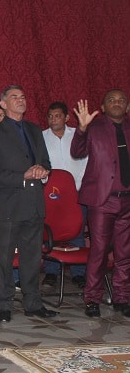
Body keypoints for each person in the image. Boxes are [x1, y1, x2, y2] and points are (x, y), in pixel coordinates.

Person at [0, 85, 58, 322]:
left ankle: (33, 303)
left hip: (33, 203)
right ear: (3, 104)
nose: (20, 100)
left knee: (32, 258)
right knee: (5, 259)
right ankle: (5, 305)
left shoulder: (34, 130)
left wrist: (42, 171)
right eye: (14, 97)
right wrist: (22, 176)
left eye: (23, 96)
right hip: (8, 205)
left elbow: (46, 162)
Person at [70, 90, 130, 318]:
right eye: (111, 100)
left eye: (122, 100)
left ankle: (122, 297)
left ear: (127, 107)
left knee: (125, 254)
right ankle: (92, 299)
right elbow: (77, 152)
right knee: (99, 252)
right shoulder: (94, 128)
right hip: (103, 201)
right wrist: (82, 128)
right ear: (103, 107)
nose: (117, 103)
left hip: (127, 201)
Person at [41, 101, 88, 289]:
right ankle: (51, 272)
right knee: (50, 233)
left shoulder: (78, 135)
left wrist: (76, 186)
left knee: (76, 231)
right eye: (50, 116)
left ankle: (78, 274)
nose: (54, 120)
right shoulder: (41, 137)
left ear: (67, 117)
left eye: (58, 116)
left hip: (77, 192)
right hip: (49, 195)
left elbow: (86, 162)